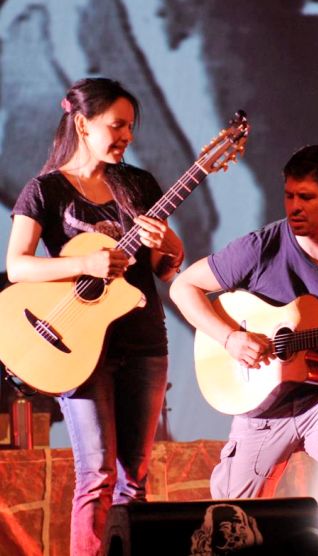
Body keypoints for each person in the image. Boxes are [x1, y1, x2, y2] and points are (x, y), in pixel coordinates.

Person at [170, 145, 318, 554]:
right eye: (289, 195)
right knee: (227, 520)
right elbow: (182, 286)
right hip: (263, 407)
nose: (294, 206)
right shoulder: (263, 246)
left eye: (306, 197)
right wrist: (230, 337)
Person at [6, 77, 184, 556]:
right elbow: (18, 264)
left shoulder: (139, 184)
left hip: (144, 342)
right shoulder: (44, 190)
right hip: (77, 345)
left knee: (135, 478)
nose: (127, 135)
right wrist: (84, 263)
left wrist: (166, 242)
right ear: (83, 125)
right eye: (117, 125)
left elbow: (169, 267)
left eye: (131, 126)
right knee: (98, 474)